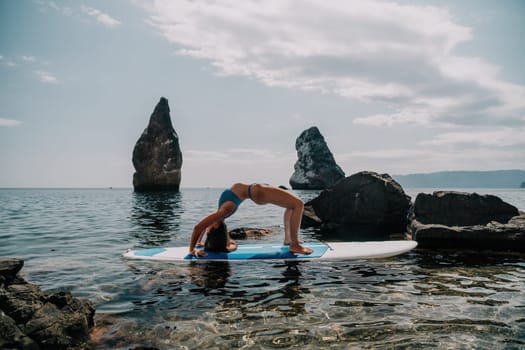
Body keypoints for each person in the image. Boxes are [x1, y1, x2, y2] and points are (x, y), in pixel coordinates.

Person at [189, 183, 313, 257]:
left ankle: (288, 239)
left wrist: (199, 243)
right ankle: (294, 245)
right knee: (299, 205)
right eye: (209, 231)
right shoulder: (223, 212)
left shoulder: (219, 217)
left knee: (291, 206)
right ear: (215, 227)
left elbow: (203, 227)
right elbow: (198, 227)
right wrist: (192, 250)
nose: (207, 228)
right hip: (257, 191)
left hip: (256, 192)